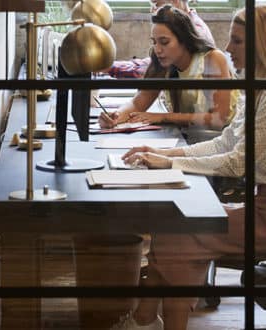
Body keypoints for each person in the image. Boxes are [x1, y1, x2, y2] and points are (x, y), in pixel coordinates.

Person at [115, 6, 266, 330]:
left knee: (179, 236)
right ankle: (144, 320)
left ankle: (144, 321)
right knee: (173, 226)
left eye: (237, 41)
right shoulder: (257, 89)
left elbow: (237, 160)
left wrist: (173, 161)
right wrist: (161, 152)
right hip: (259, 203)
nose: (227, 48)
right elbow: (225, 142)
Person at [99, 5, 240, 139]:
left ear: (184, 40)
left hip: (226, 139)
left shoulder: (212, 59)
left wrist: (163, 117)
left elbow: (217, 119)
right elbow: (138, 103)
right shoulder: (163, 63)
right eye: (154, 42)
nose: (157, 49)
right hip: (191, 138)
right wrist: (116, 116)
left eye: (164, 42)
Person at [102, 0, 215, 79]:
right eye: (154, 42)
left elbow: (153, 69)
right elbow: (154, 66)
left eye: (156, 4)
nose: (152, 10)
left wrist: (110, 67)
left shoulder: (197, 31)